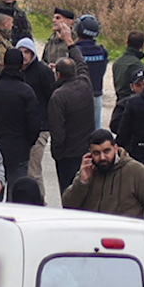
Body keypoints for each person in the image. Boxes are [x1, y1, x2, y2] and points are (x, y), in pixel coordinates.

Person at [0, 47, 41, 191]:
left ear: (3, 63)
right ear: (21, 65)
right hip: (18, 149)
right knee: (16, 195)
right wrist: (28, 143)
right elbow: (34, 123)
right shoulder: (26, 92)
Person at [48, 33, 95, 196]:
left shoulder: (58, 96)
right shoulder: (85, 84)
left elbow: (57, 130)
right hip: (86, 151)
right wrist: (70, 43)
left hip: (67, 156)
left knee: (69, 195)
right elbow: (81, 62)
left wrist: (57, 154)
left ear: (58, 74)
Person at [61, 129, 144, 217]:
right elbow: (68, 206)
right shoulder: (88, 171)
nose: (102, 157)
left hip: (125, 229)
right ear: (90, 153)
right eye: (96, 153)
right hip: (92, 229)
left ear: (115, 148)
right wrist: (82, 182)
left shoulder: (135, 171)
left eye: (106, 151)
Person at [17, 37, 56, 199]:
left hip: (40, 127)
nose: (24, 56)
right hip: (20, 127)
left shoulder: (42, 71)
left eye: (28, 52)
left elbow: (51, 98)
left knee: (34, 169)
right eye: (21, 52)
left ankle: (40, 201)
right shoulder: (16, 71)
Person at [74, 13, 109, 129]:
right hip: (96, 94)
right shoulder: (102, 51)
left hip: (78, 96)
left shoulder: (75, 51)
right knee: (96, 131)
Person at [114, 31, 144, 101]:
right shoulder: (138, 65)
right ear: (143, 45)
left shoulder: (117, 62)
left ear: (127, 43)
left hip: (120, 101)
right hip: (133, 103)